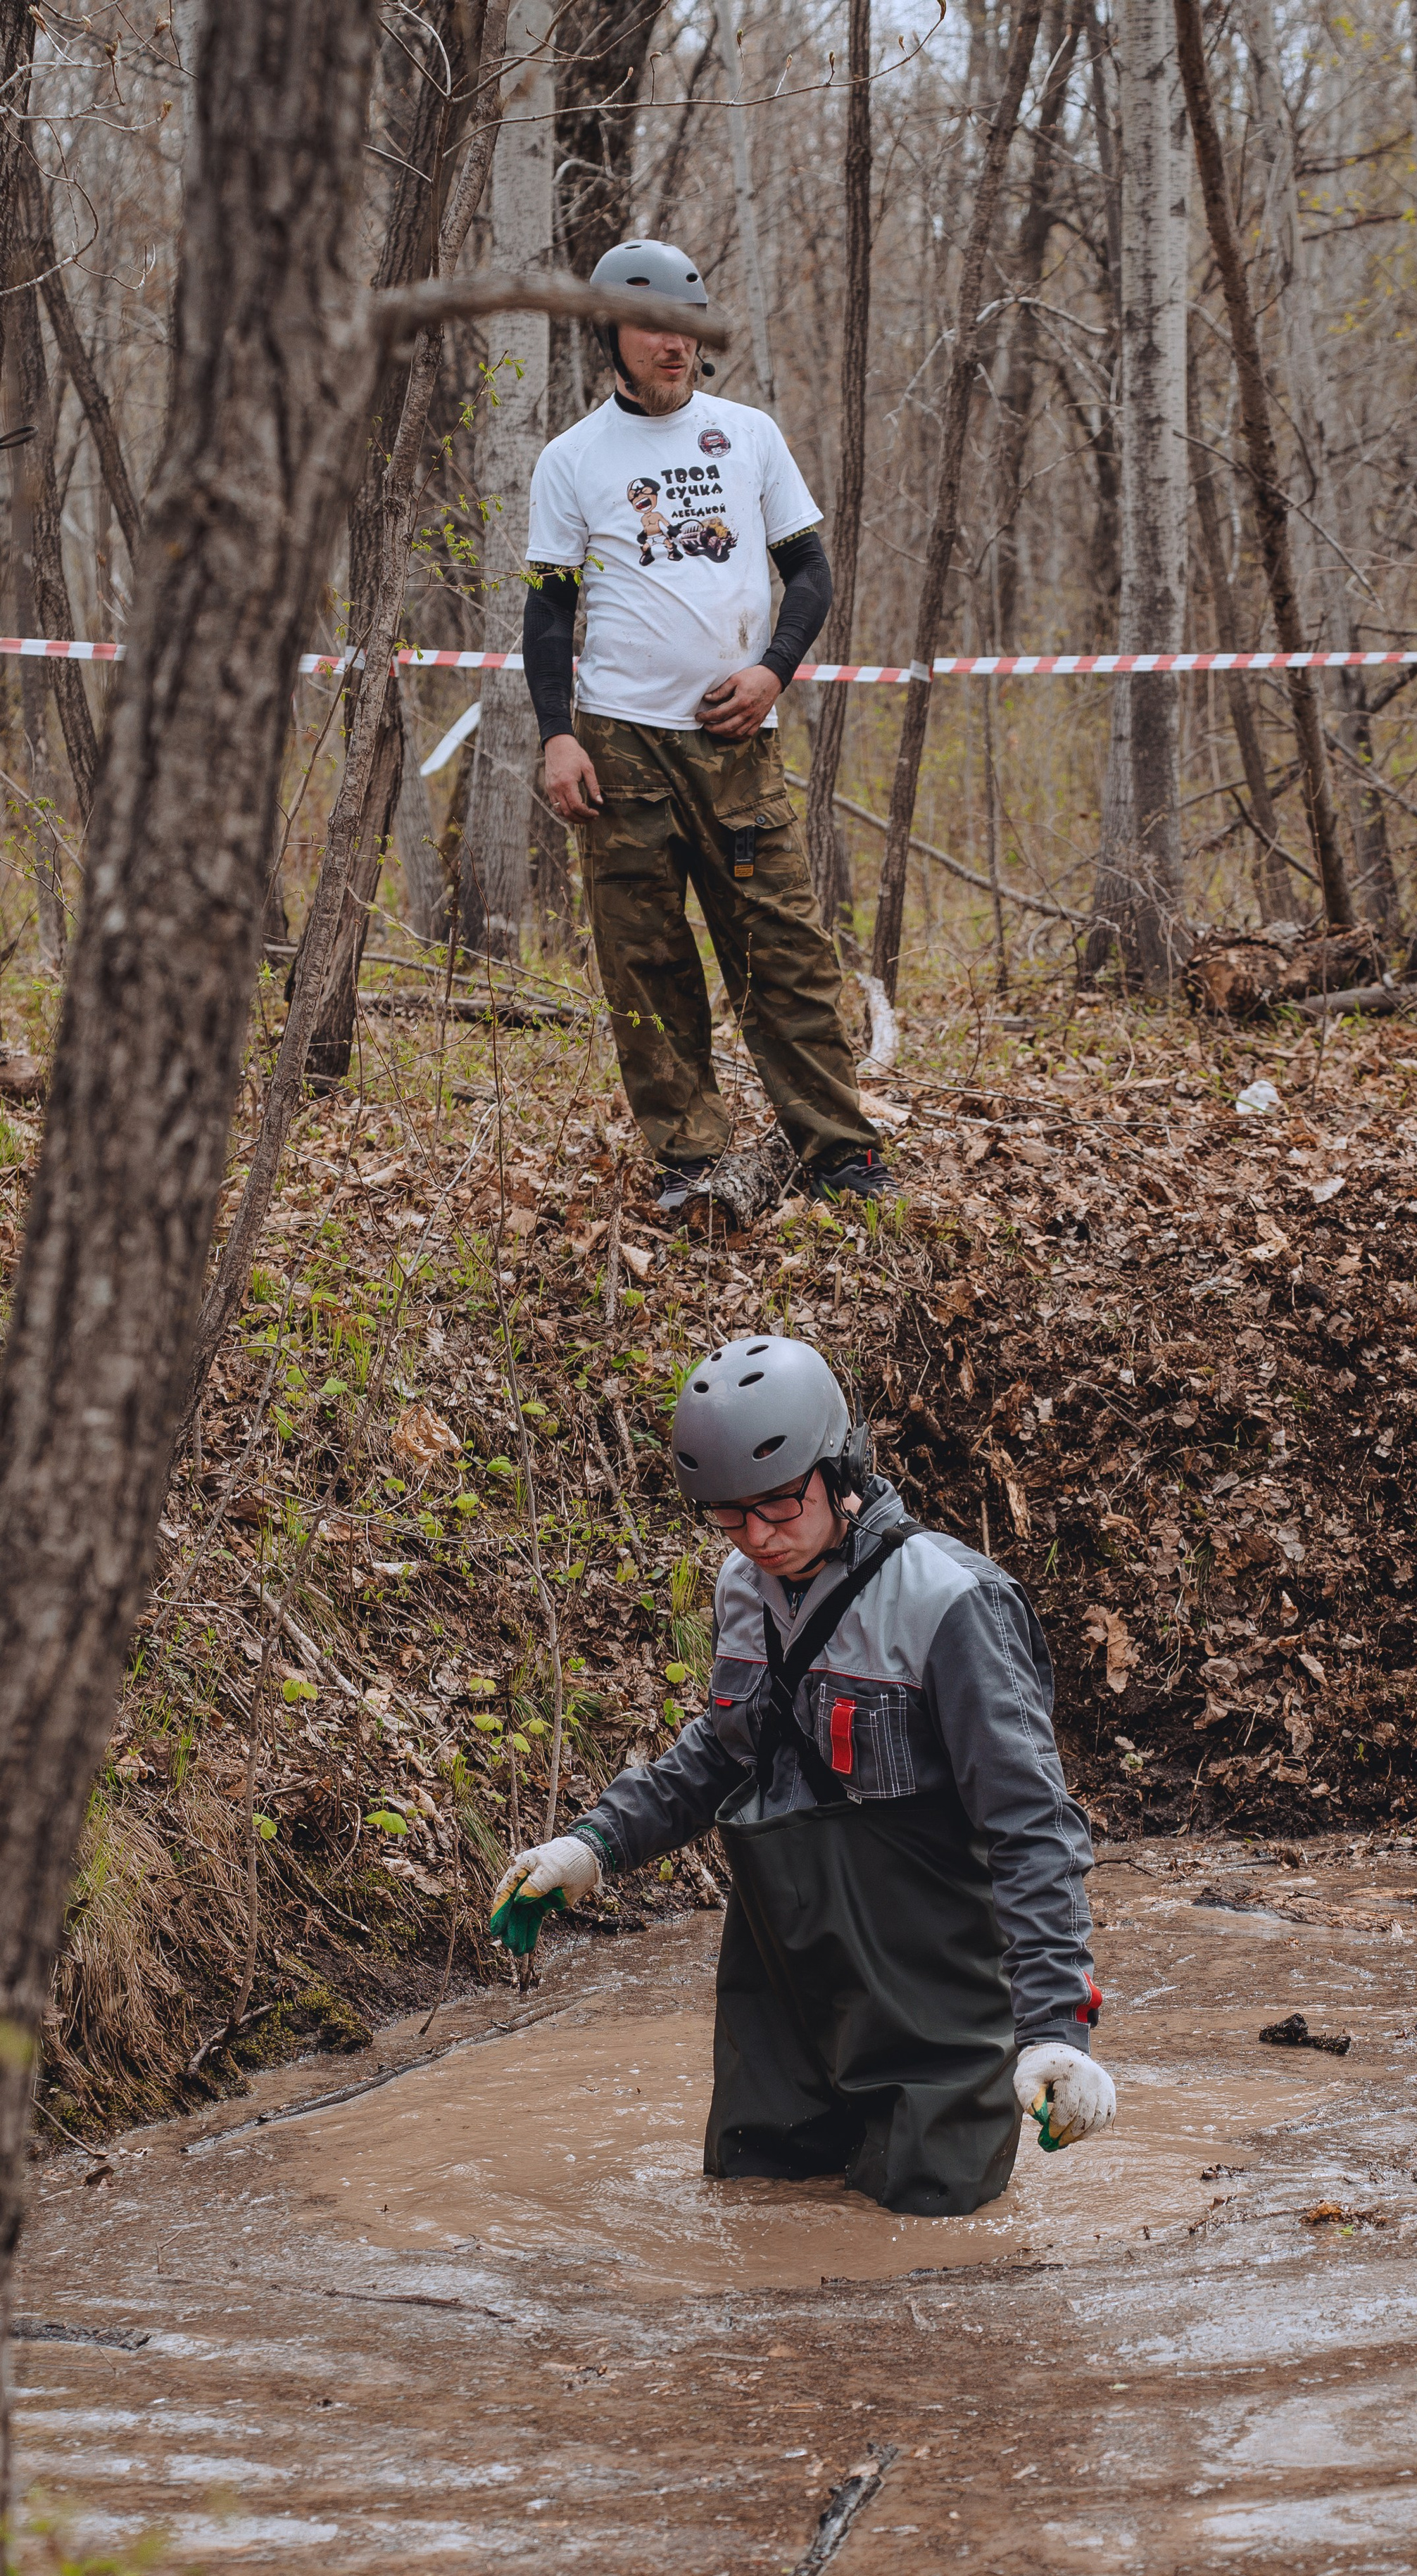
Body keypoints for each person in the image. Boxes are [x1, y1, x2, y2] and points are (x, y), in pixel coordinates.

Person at [490, 1336, 1115, 2218]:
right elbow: (725, 1752)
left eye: (779, 1509)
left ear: (840, 1468)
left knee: (935, 2244)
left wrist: (1057, 2032)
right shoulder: (743, 1588)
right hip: (780, 1988)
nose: (756, 1539)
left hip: (932, 1996)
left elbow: (1031, 1825)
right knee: (761, 2215)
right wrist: (593, 1844)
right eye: (728, 1518)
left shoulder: (951, 1603)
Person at [522, 238, 893, 1217]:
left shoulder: (749, 436)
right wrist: (558, 735)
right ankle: (690, 1160)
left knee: (785, 951)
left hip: (735, 746)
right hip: (619, 747)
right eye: (650, 327)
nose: (671, 344)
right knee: (647, 962)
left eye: (685, 327)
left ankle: (839, 1152)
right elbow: (549, 609)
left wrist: (774, 672)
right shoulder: (572, 459)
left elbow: (808, 572)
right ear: (611, 335)